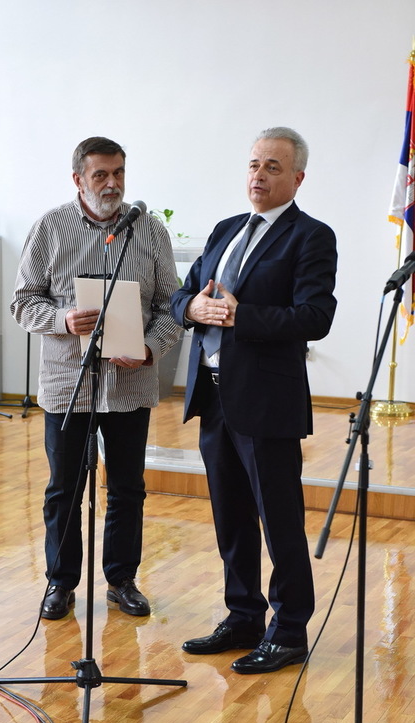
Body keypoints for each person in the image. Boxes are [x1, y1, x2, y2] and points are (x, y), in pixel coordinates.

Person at [170, 127, 337, 673]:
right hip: (214, 397)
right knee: (231, 518)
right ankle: (243, 615)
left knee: (279, 521)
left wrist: (243, 316)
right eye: (253, 164)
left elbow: (315, 317)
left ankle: (288, 631)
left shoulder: (310, 236)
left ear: (297, 178)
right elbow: (182, 294)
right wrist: (191, 309)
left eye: (272, 167)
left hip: (267, 403)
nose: (259, 175)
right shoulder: (225, 230)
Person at [11, 136, 181, 620]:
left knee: (127, 488)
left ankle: (122, 580)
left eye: (119, 173)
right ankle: (60, 582)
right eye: (101, 174)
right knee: (64, 489)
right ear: (78, 179)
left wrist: (149, 348)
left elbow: (172, 307)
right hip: (69, 384)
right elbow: (23, 301)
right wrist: (63, 320)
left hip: (130, 386)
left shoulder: (149, 231)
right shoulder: (50, 227)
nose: (112, 183)